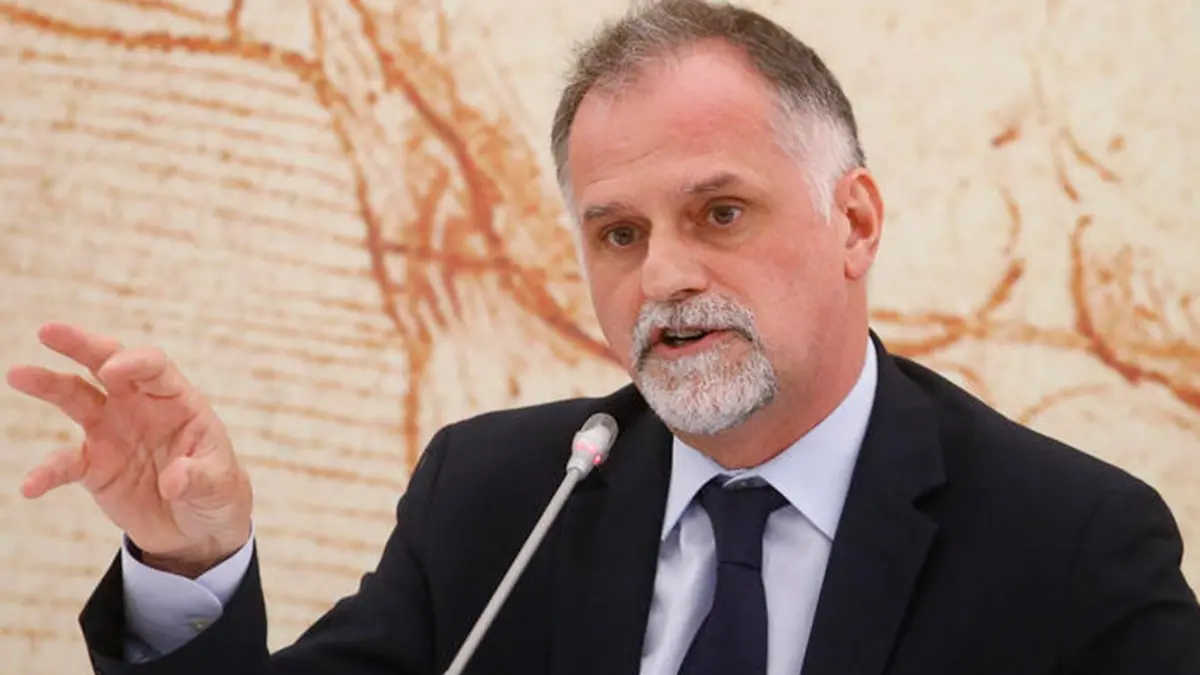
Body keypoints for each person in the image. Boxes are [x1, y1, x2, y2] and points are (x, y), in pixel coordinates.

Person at [8, 1, 1199, 674]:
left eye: (719, 213)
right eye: (618, 233)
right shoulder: (498, 496)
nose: (663, 276)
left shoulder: (1075, 544)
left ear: (855, 221)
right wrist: (189, 563)